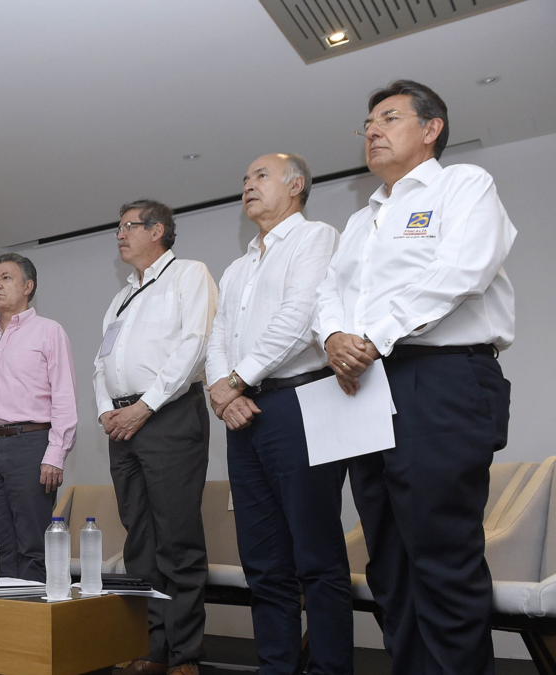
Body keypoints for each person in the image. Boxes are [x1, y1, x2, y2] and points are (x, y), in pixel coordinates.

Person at [317, 80, 515, 675]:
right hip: (366, 385)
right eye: (368, 123)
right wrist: (333, 337)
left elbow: (462, 272)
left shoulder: (464, 185)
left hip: (442, 378)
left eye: (389, 118)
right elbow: (329, 291)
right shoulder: (362, 219)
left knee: (441, 554)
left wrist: (373, 335)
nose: (372, 130)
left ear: (431, 129)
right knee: (388, 562)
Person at [205, 154, 350, 675]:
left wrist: (234, 382)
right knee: (263, 561)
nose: (248, 184)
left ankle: (329, 668)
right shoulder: (237, 267)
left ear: (296, 185)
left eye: (260, 175)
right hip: (243, 414)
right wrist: (226, 394)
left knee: (316, 557)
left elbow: (299, 318)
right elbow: (218, 337)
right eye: (245, 178)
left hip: (301, 403)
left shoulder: (316, 237)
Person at [93, 200, 217, 675]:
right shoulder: (121, 297)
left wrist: (144, 407)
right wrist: (106, 411)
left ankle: (185, 654)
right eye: (118, 227)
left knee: (177, 539)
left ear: (157, 230)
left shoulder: (188, 274)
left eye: (128, 226)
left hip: (167, 416)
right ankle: (151, 647)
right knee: (140, 541)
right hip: (121, 425)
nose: (120, 235)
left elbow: (195, 346)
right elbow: (101, 363)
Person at [0, 253, 77, 582]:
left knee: (33, 546)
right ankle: (6, 613)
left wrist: (55, 455)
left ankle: (35, 613)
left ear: (28, 286)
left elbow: (64, 396)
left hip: (31, 444)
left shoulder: (49, 331)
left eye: (6, 278)